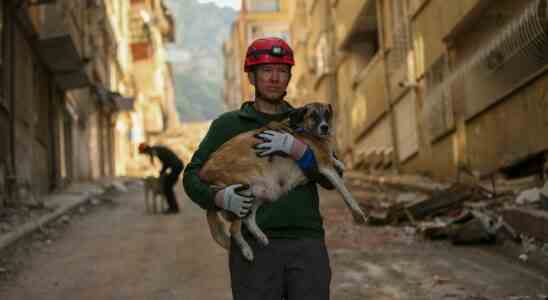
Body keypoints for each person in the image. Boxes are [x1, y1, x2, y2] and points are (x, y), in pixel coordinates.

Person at [183, 37, 333, 300]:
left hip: (307, 243)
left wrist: (301, 153)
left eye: (282, 70)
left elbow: (333, 179)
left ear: (289, 77)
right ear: (251, 77)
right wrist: (218, 197)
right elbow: (191, 178)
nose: (275, 78)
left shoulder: (309, 120)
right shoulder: (228, 126)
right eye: (266, 70)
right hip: (255, 249)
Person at [139, 143, 183, 214]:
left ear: (146, 150)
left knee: (167, 187)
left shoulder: (155, 151)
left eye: (145, 153)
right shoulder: (157, 149)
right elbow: (166, 162)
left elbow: (167, 162)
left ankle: (173, 208)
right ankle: (174, 207)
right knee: (168, 186)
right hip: (177, 166)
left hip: (176, 166)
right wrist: (162, 172)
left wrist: (162, 171)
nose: (146, 155)